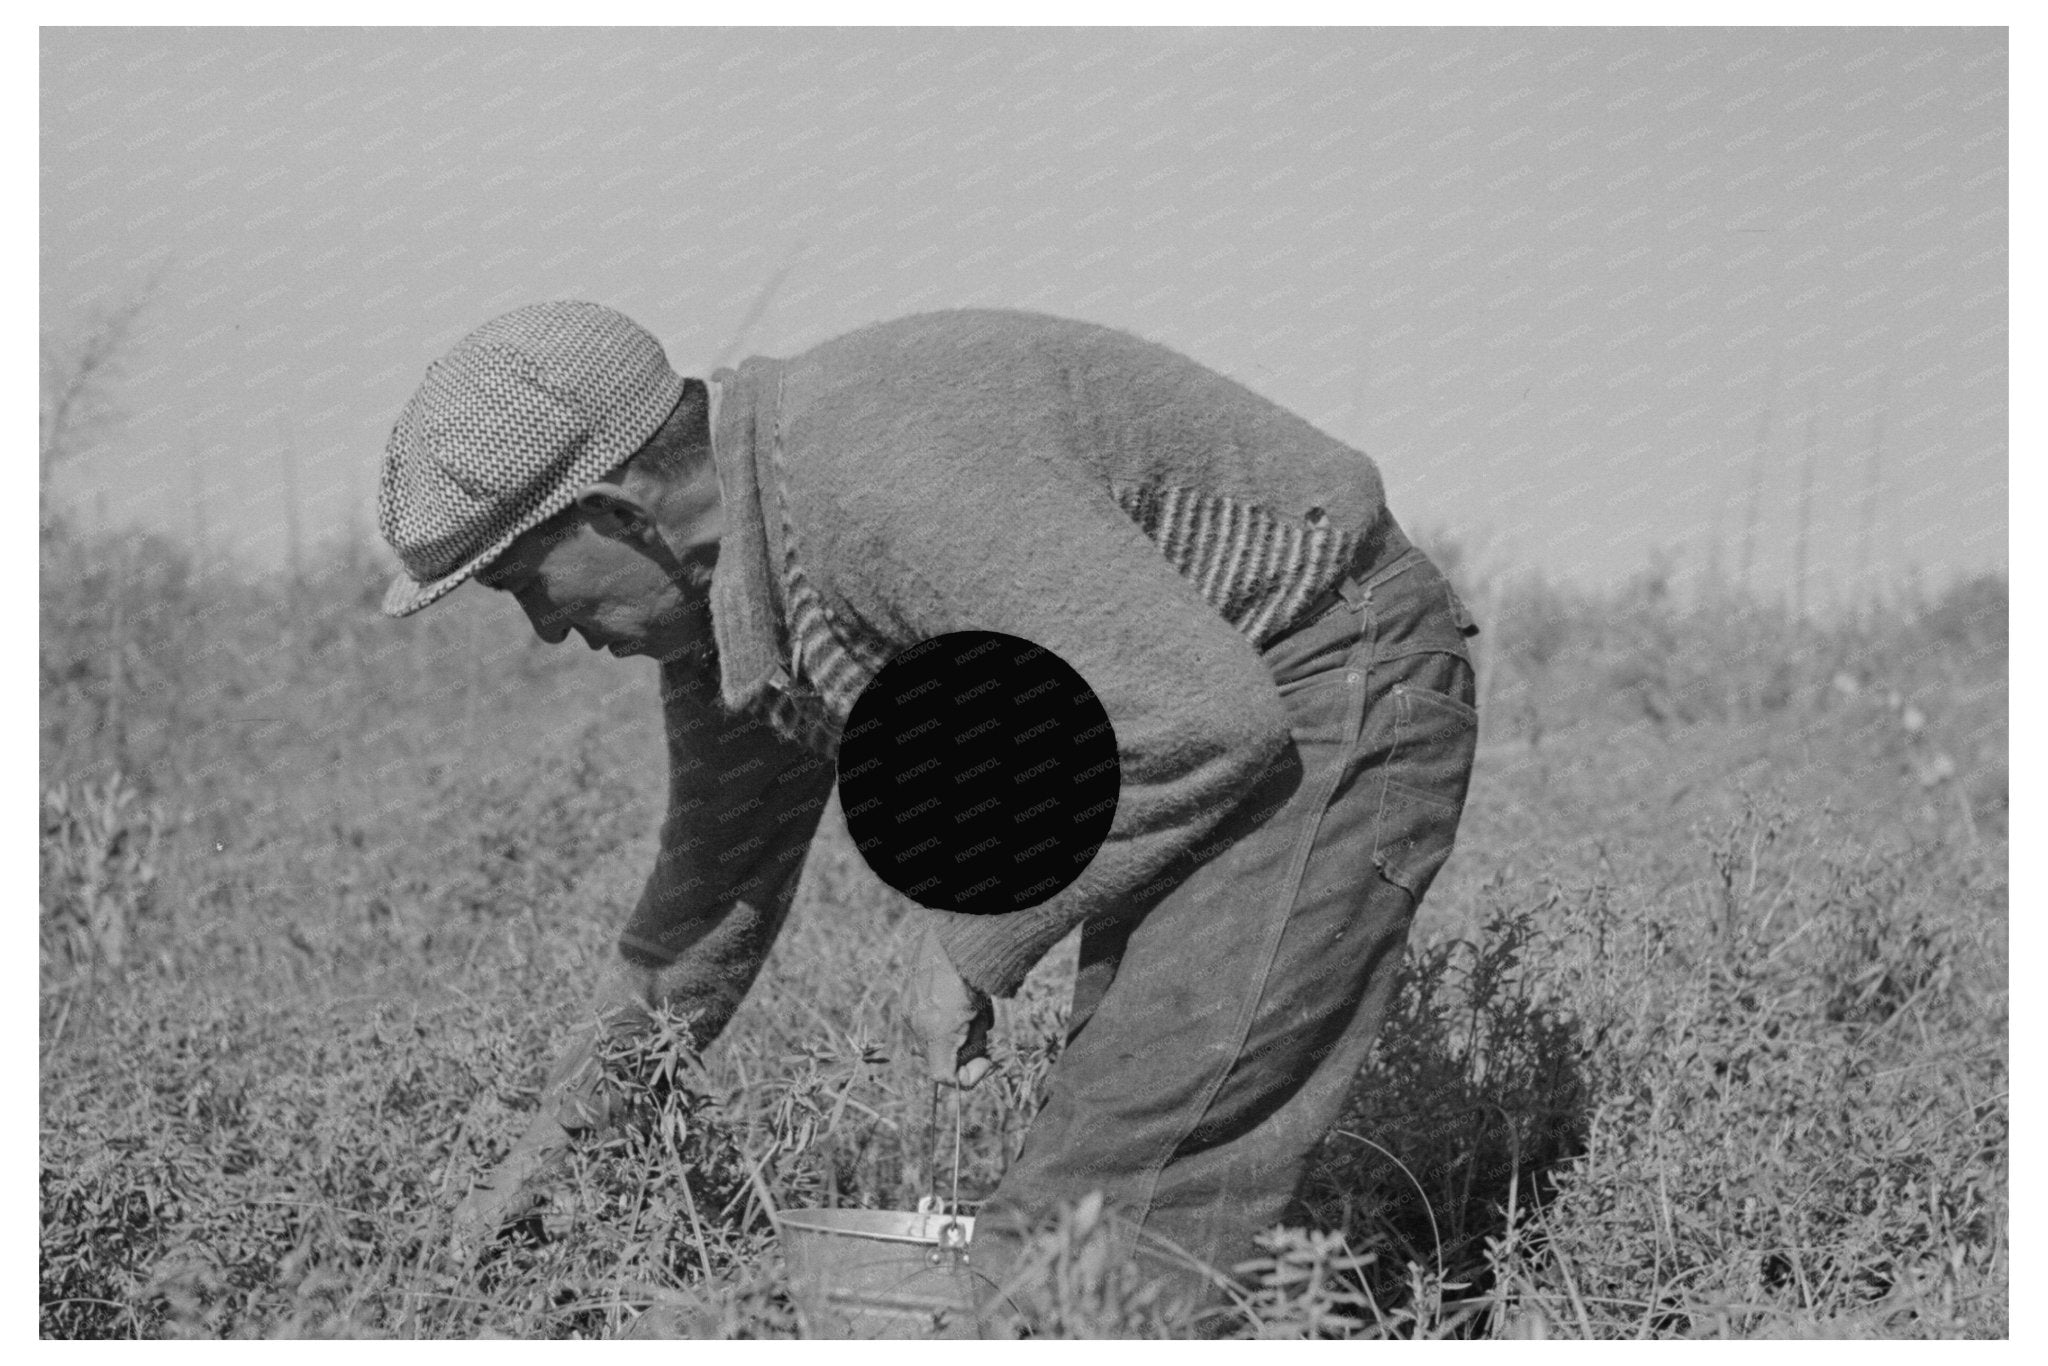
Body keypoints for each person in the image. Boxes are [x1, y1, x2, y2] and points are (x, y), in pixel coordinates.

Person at [378, 300, 1480, 1324]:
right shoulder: (737, 592)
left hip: (1323, 672)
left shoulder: (866, 475)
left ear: (618, 512)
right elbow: (705, 903)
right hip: (1211, 705)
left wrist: (968, 940)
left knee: (1105, 1204)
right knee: (1114, 1172)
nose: (543, 633)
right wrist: (544, 1154)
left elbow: (1200, 719)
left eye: (524, 582)